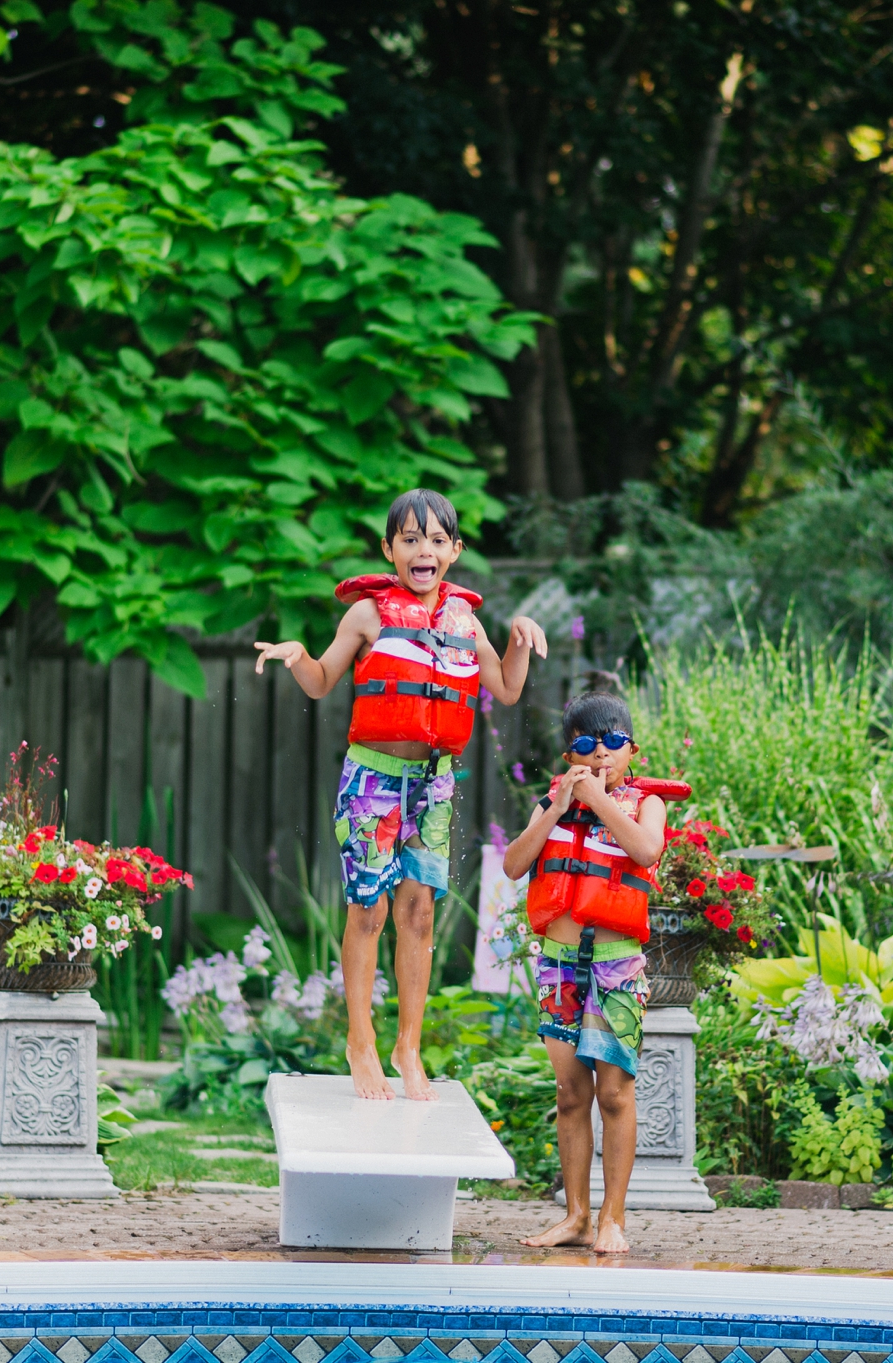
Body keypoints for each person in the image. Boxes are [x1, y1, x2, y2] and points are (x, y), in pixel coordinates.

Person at [254, 489, 548, 1101]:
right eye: (410, 539)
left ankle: (406, 1046)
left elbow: (507, 689)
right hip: (374, 782)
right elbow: (322, 681)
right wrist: (297, 655)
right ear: (389, 550)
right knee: (370, 911)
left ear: (455, 551)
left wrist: (519, 639)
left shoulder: (465, 622)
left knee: (419, 913)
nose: (424, 550)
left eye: (437, 540)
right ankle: (360, 1040)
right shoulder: (366, 614)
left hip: (434, 784)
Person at [501, 691, 684, 1255]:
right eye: (584, 744)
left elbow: (646, 851)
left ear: (633, 750)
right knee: (569, 1093)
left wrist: (600, 799)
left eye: (611, 743)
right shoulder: (550, 803)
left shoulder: (644, 803)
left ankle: (612, 1218)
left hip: (616, 965)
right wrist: (557, 809)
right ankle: (576, 1215)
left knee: (615, 1093)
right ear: (567, 754)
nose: (599, 754)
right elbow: (513, 865)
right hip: (559, 966)